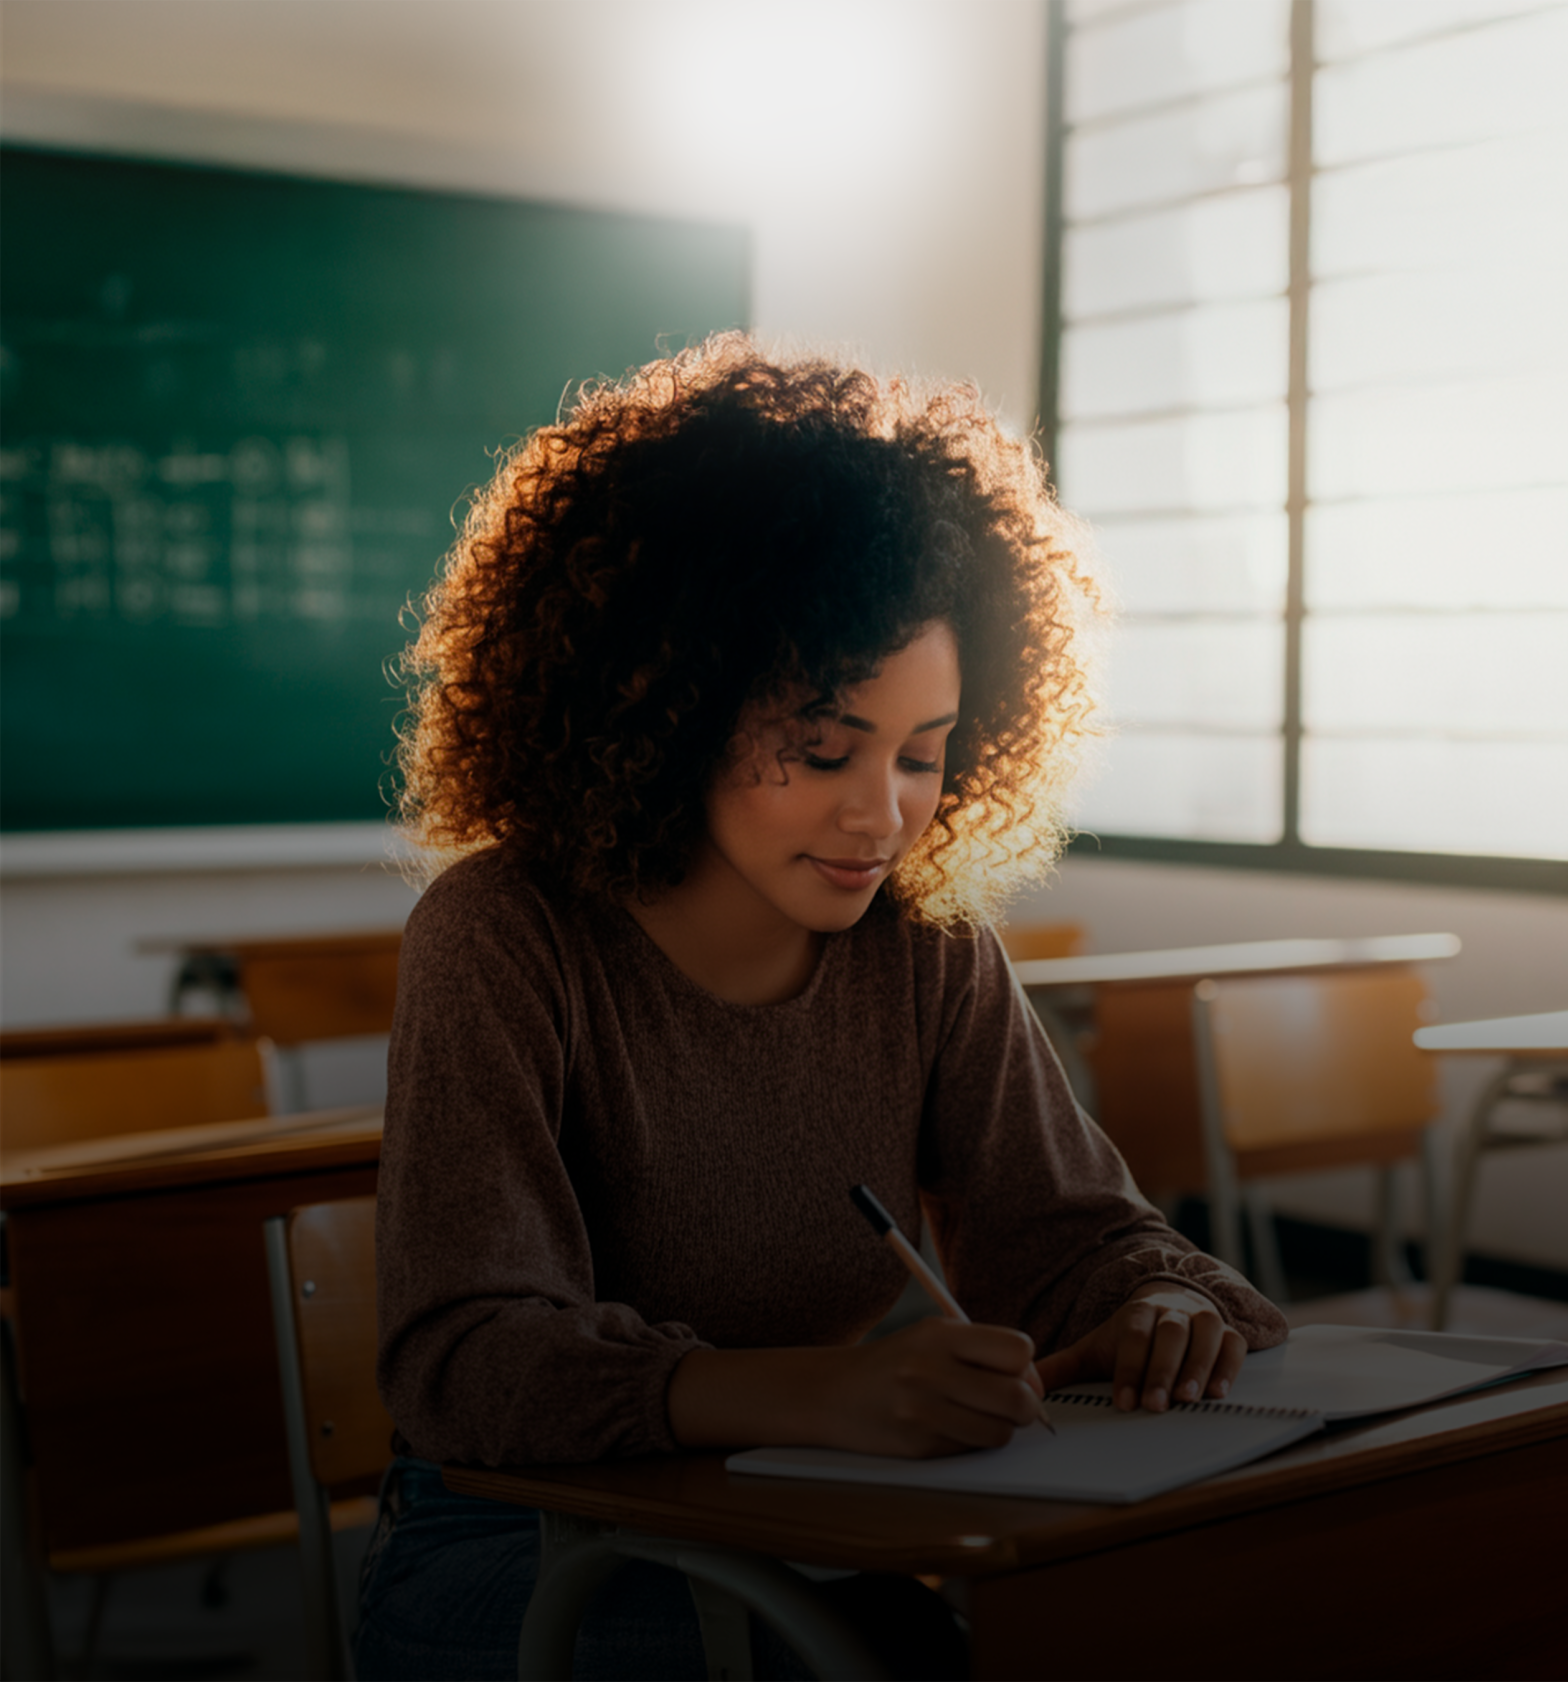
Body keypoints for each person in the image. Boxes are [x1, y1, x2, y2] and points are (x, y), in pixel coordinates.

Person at [358, 334, 1288, 1678]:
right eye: (823, 749)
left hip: (791, 1507)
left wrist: (1162, 1306)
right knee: (876, 1653)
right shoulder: (505, 935)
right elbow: (468, 1358)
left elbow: (1076, 1236)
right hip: (520, 1541)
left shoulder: (926, 951)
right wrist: (811, 1389)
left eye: (925, 753)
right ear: (662, 702)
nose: (883, 813)